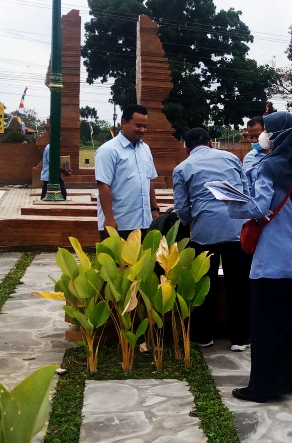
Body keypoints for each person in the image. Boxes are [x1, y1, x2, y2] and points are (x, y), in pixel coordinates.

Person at [225, 112, 292, 403]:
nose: (263, 135)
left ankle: (262, 387)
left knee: (266, 326)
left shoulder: (268, 165)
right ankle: (290, 380)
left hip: (271, 257)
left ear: (277, 136)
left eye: (267, 130)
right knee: (289, 324)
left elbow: (259, 207)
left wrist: (230, 203)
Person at [172, 127, 252, 352]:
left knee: (204, 285)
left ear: (187, 148)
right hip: (236, 229)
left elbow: (181, 208)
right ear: (210, 142)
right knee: (240, 284)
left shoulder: (182, 168)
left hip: (204, 232)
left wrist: (194, 220)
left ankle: (204, 336)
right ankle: (240, 339)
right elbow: (245, 192)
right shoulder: (232, 158)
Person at [95, 104, 160, 240]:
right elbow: (103, 185)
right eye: (138, 125)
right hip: (119, 224)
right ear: (124, 123)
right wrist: (109, 218)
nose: (142, 130)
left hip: (144, 223)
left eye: (145, 126)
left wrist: (154, 210)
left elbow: (149, 180)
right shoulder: (108, 150)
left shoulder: (145, 149)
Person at [244, 114, 292, 194]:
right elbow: (247, 187)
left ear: (268, 132)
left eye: (258, 136)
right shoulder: (249, 158)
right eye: (251, 137)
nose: (254, 140)